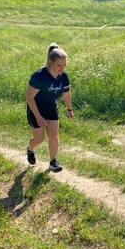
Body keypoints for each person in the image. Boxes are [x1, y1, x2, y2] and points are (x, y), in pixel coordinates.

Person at [25, 43, 73, 173]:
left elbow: (66, 94)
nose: (62, 68)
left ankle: (53, 161)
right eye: (59, 65)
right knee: (39, 139)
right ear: (51, 62)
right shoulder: (39, 76)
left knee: (53, 134)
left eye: (64, 65)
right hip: (36, 109)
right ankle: (30, 149)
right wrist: (38, 116)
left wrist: (69, 109)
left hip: (52, 107)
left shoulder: (63, 77)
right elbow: (29, 97)